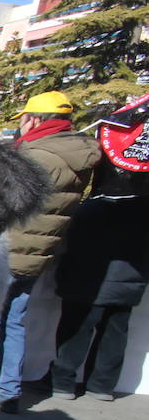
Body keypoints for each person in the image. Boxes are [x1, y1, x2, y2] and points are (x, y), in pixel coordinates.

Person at [0, 91, 101, 413]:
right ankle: (8, 393)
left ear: (34, 119)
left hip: (8, 251)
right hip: (39, 255)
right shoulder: (80, 156)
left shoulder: (34, 156)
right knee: (15, 323)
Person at [51, 141, 149, 400]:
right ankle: (102, 386)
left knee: (77, 328)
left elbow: (71, 242)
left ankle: (63, 381)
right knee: (115, 331)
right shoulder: (144, 209)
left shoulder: (93, 208)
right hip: (130, 283)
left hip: (88, 281)